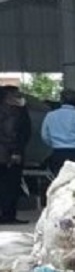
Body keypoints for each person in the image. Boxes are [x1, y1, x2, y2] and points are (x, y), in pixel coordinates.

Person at [41, 89, 75, 175]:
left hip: (58, 153)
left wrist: (54, 144)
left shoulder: (50, 115)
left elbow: (44, 135)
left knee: (61, 182)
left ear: (61, 100)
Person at [0, 87, 30, 224]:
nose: (20, 97)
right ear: (8, 97)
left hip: (3, 154)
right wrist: (15, 152)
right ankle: (8, 215)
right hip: (9, 155)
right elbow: (11, 134)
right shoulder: (12, 112)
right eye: (17, 95)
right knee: (11, 186)